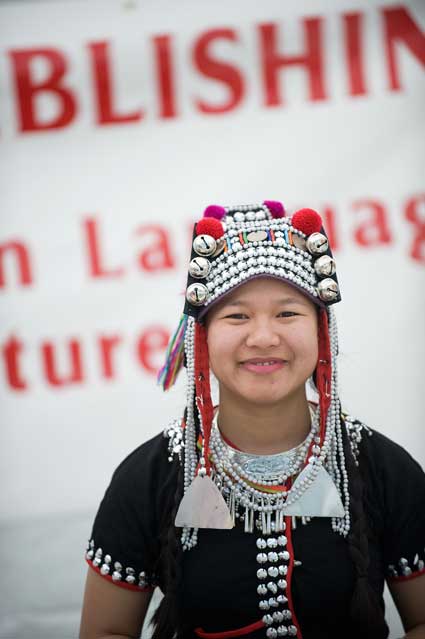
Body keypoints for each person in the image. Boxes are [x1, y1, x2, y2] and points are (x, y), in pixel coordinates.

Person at [79, 201, 425, 639]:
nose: (263, 337)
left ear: (322, 332)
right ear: (200, 339)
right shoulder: (150, 477)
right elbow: (106, 631)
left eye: (287, 313)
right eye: (237, 316)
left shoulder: (381, 468)